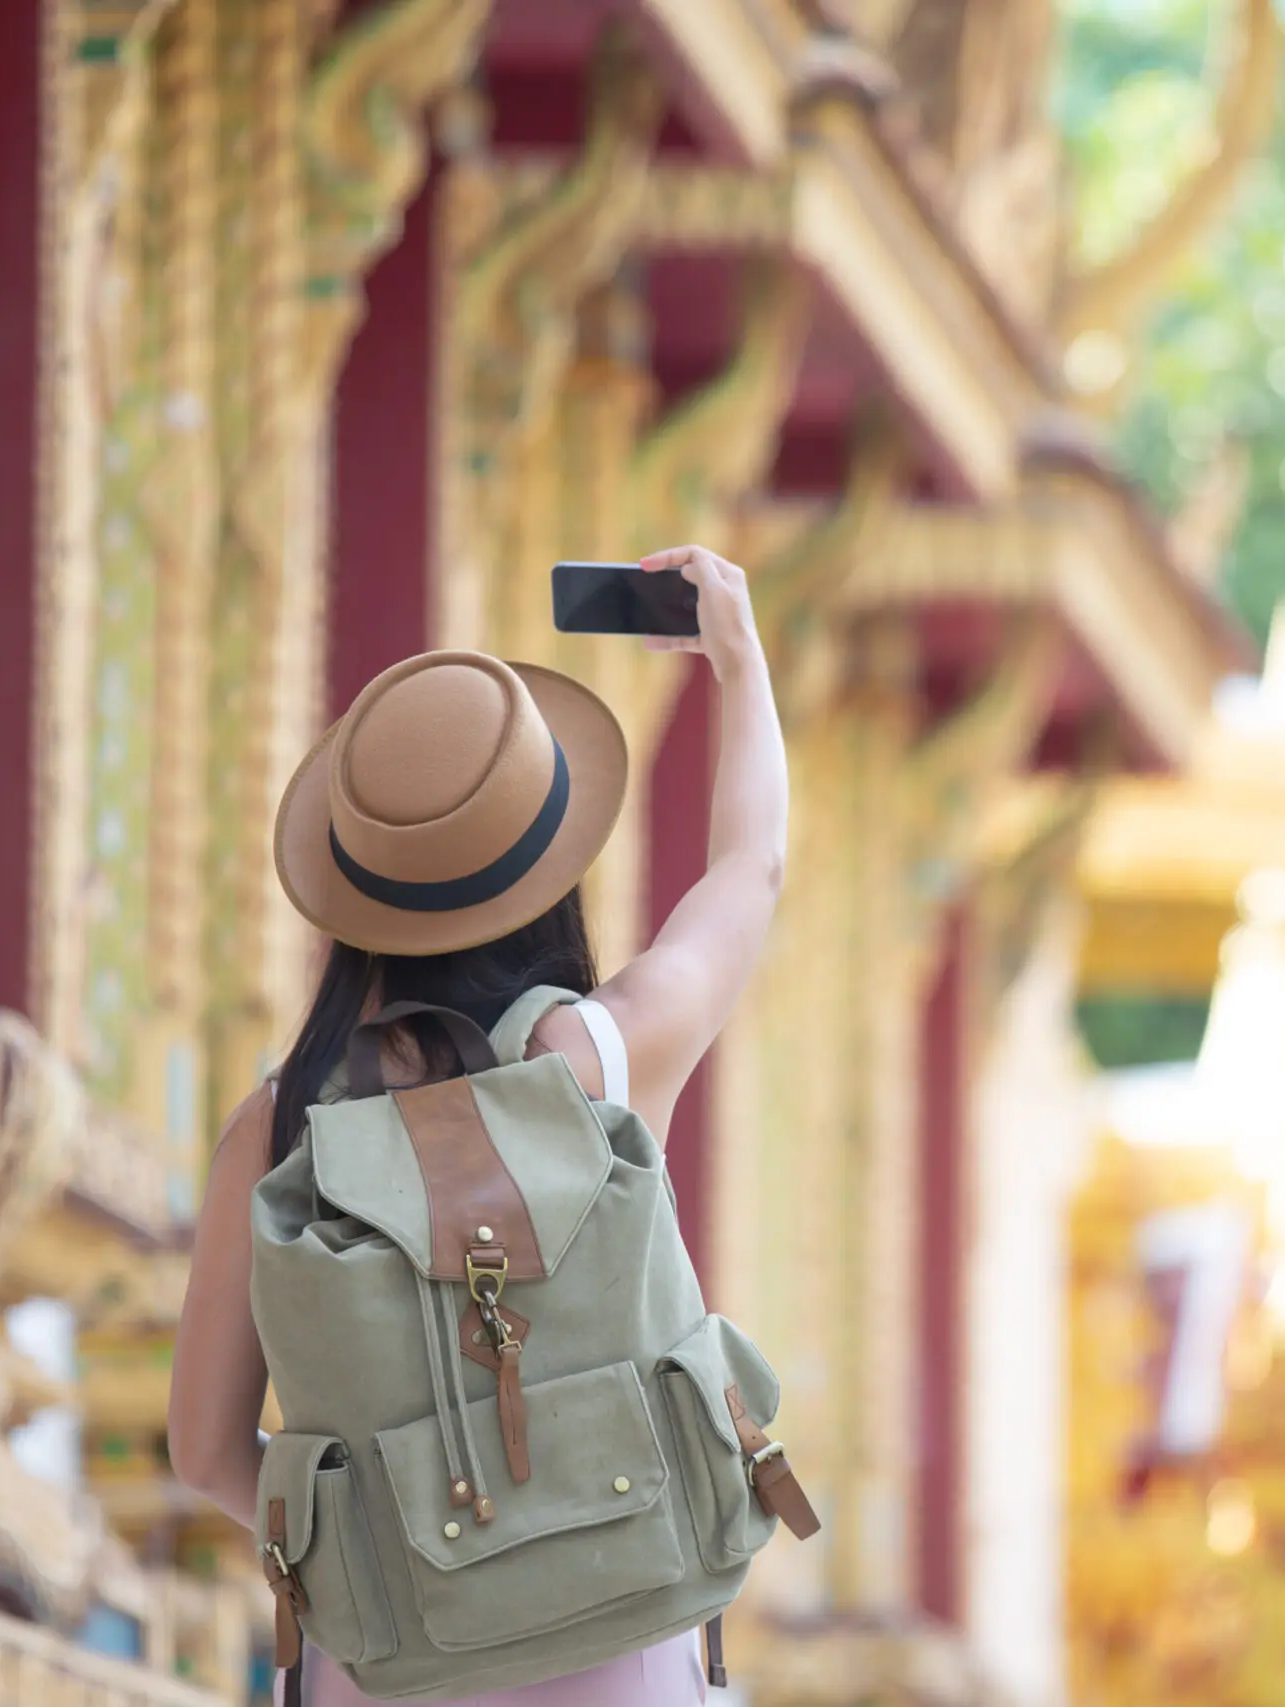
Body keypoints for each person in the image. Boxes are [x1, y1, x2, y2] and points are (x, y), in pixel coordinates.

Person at [169, 546, 786, 1707]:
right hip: (627, 1637)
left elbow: (204, 1452)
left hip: (386, 1664)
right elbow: (751, 870)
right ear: (549, 861)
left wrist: (396, 1548)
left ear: (353, 892)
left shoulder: (275, 1127)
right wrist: (737, 659)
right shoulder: (597, 1061)